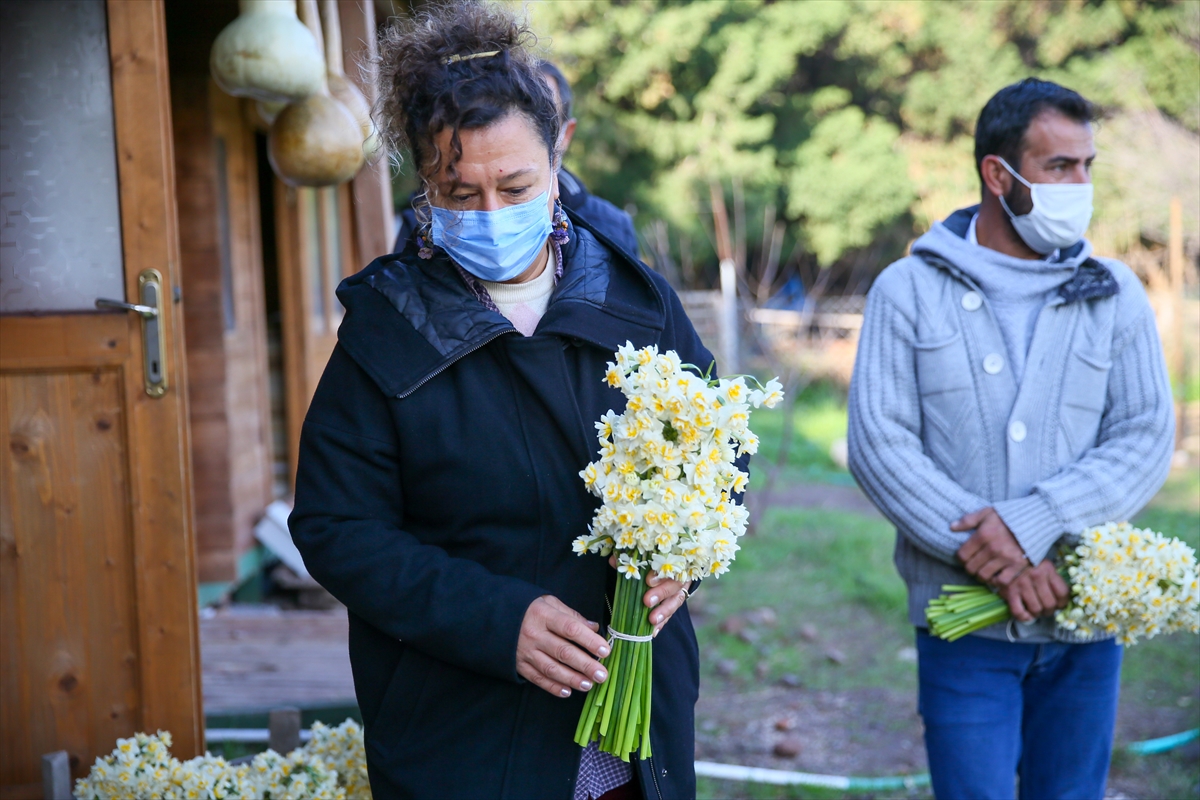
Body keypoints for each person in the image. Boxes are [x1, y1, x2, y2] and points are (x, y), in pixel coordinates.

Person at [289, 3, 709, 798]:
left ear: (560, 158)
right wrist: (495, 620)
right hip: (467, 731)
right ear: (422, 182)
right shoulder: (387, 334)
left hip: (637, 721)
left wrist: (685, 561)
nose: (490, 215)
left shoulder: (636, 300)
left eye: (516, 186)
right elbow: (336, 527)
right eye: (459, 193)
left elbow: (718, 445)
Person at [847, 78, 1174, 800]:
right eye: (1059, 167)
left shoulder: (1115, 292)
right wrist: (994, 559)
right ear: (1000, 175)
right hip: (963, 631)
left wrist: (1035, 523)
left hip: (1084, 623)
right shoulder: (908, 289)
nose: (1079, 185)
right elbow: (881, 443)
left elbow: (1145, 433)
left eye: (1088, 165)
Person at [391, 60, 640, 259]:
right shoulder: (418, 230)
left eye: (516, 190)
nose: (493, 217)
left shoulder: (609, 227)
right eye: (463, 196)